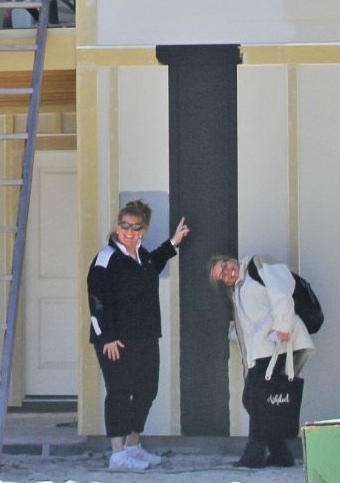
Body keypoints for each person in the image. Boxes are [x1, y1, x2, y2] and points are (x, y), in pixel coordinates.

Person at [86, 201, 191, 473]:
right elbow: (97, 300)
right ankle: (117, 454)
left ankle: (133, 446)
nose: (129, 232)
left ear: (143, 230)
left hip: (145, 337)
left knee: (146, 391)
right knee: (119, 393)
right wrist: (106, 337)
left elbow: (153, 264)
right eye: (124, 226)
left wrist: (173, 243)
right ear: (116, 227)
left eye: (135, 227)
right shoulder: (106, 258)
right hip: (115, 341)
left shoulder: (141, 256)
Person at [208, 253, 315, 469]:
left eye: (226, 266)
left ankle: (253, 455)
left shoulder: (257, 265)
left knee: (257, 400)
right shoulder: (238, 289)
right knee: (254, 400)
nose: (228, 274)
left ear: (231, 259)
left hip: (279, 344)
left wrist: (283, 327)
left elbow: (281, 292)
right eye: (222, 276)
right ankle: (280, 453)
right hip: (263, 350)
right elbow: (250, 325)